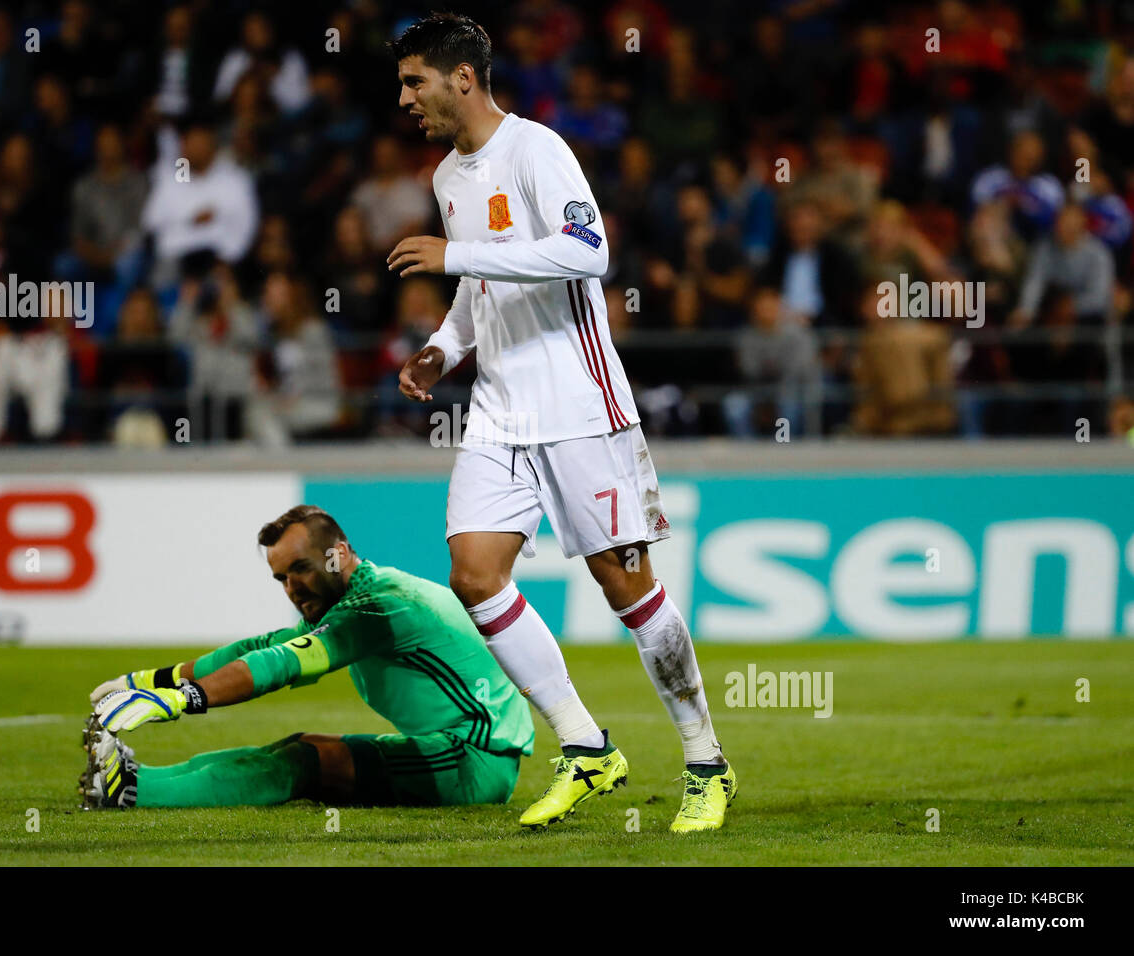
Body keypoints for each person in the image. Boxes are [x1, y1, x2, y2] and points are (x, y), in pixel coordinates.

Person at [386, 13, 735, 833]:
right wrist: (442, 349)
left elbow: (588, 253)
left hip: (579, 405)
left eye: (414, 81)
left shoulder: (537, 150)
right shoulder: (448, 178)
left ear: (461, 78)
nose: (405, 98)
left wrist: (457, 256)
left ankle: (706, 762)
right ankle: (585, 748)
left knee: (627, 589)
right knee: (475, 573)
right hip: (500, 409)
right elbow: (479, 293)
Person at [80, 505, 534, 810]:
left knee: (306, 762)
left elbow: (283, 665)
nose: (292, 587)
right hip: (458, 749)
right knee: (296, 746)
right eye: (281, 577)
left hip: (477, 760)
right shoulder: (351, 597)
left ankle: (134, 791)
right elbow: (261, 649)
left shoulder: (380, 606)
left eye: (300, 568)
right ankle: (138, 776)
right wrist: (152, 680)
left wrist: (180, 700)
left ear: (336, 556)